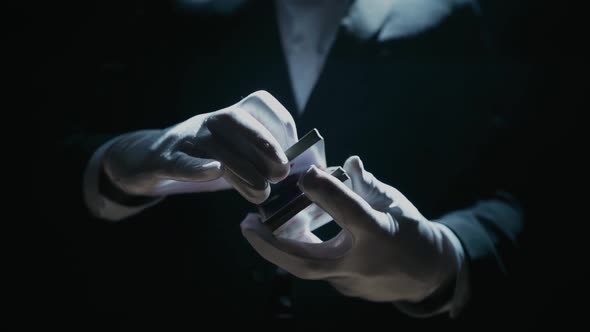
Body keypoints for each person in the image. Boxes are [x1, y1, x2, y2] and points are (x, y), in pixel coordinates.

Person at [34, 0, 583, 327]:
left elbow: (546, 185)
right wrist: (115, 165)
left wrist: (446, 261)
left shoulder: (476, 19)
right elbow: (35, 148)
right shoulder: (159, 18)